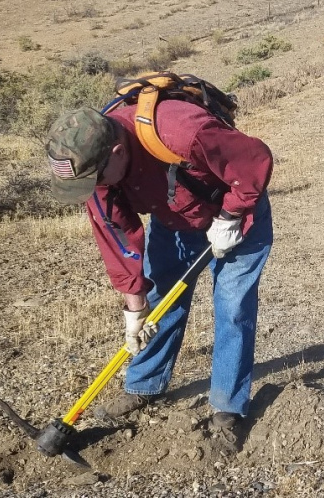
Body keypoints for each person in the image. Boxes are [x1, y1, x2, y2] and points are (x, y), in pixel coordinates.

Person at [46, 104, 273, 451]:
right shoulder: (95, 168)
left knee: (232, 307)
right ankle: (144, 385)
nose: (94, 188)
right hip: (173, 218)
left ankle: (228, 408)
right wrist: (134, 309)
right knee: (158, 303)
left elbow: (253, 159)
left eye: (95, 180)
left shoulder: (181, 131)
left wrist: (231, 216)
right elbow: (117, 237)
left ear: (118, 152)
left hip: (235, 215)